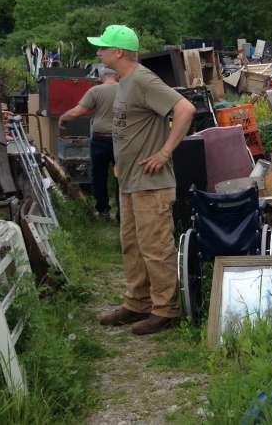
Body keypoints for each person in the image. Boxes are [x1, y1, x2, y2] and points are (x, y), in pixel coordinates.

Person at [87, 25, 196, 335]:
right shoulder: (123, 82)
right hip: (131, 181)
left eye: (103, 48)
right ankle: (137, 303)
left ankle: (165, 310)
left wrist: (164, 153)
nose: (99, 52)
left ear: (118, 52)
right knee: (131, 246)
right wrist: (121, 164)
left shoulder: (144, 79)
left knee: (156, 248)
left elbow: (185, 109)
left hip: (152, 184)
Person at [58, 67, 120, 220]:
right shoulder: (126, 89)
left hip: (101, 138)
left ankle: (103, 210)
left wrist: (63, 118)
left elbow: (75, 112)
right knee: (122, 175)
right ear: (117, 75)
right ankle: (123, 214)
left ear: (100, 76)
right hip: (122, 139)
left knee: (99, 174)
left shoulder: (96, 91)